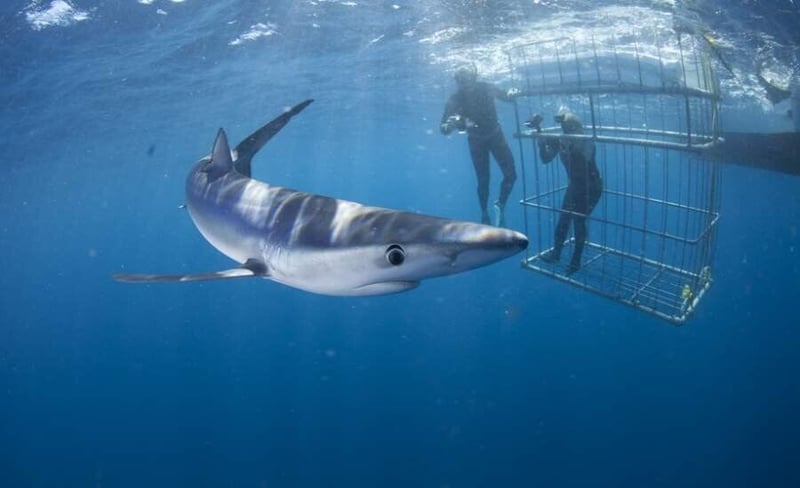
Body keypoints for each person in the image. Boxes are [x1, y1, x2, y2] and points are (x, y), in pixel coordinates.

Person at [440, 63, 518, 226]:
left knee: (509, 175)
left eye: (466, 78)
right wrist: (450, 126)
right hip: (482, 140)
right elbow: (443, 128)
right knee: (484, 181)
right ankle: (484, 213)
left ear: (474, 77)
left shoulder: (487, 88)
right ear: (457, 81)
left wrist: (512, 93)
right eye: (460, 80)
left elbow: (506, 96)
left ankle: (499, 205)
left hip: (490, 138)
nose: (464, 83)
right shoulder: (454, 99)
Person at [528, 109, 602, 274]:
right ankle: (556, 254)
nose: (567, 133)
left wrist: (567, 146)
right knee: (563, 220)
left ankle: (575, 261)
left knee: (578, 220)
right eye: (565, 129)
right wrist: (541, 141)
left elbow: (583, 157)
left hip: (592, 187)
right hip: (575, 186)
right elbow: (546, 159)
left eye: (570, 129)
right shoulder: (561, 140)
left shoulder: (586, 142)